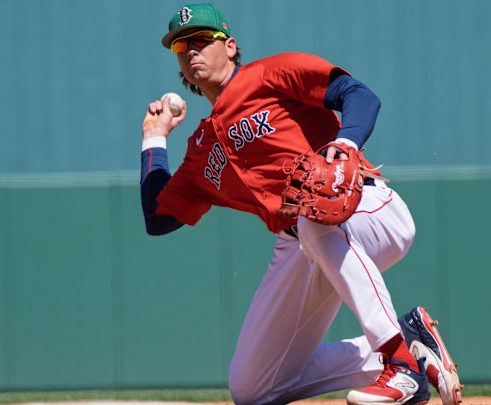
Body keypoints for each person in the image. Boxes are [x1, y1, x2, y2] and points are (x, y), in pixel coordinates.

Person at [139, 3, 463, 405]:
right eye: (181, 45)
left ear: (231, 45)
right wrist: (154, 137)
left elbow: (358, 95)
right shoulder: (202, 149)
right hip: (300, 244)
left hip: (366, 208)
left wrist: (344, 144)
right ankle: (409, 339)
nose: (191, 50)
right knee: (252, 388)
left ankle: (401, 365)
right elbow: (159, 216)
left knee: (310, 212)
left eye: (203, 40)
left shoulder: (273, 73)